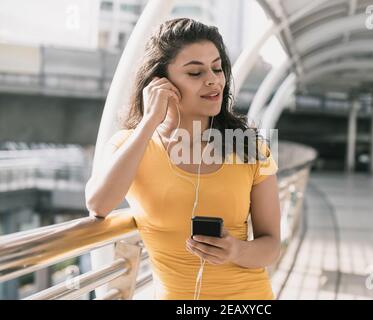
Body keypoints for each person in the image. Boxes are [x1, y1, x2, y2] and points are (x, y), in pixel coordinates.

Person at [85, 18, 281, 300]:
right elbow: (98, 204)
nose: (213, 80)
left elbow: (271, 245)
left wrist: (236, 250)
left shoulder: (249, 148)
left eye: (217, 68)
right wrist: (151, 120)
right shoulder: (131, 145)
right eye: (195, 73)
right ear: (160, 83)